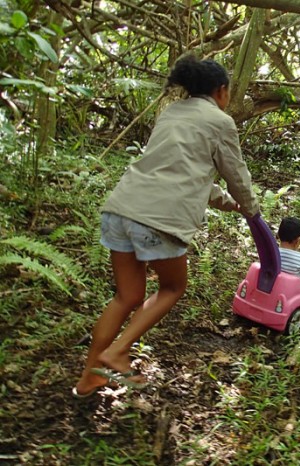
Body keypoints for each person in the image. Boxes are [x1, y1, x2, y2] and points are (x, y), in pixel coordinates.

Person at [73, 55, 259, 397]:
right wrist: (252, 210)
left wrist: (227, 203)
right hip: (159, 220)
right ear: (221, 91)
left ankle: (89, 377)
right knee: (173, 287)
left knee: (126, 296)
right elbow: (236, 176)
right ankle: (117, 352)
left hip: (122, 208)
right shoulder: (220, 122)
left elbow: (180, 171)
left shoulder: (171, 112)